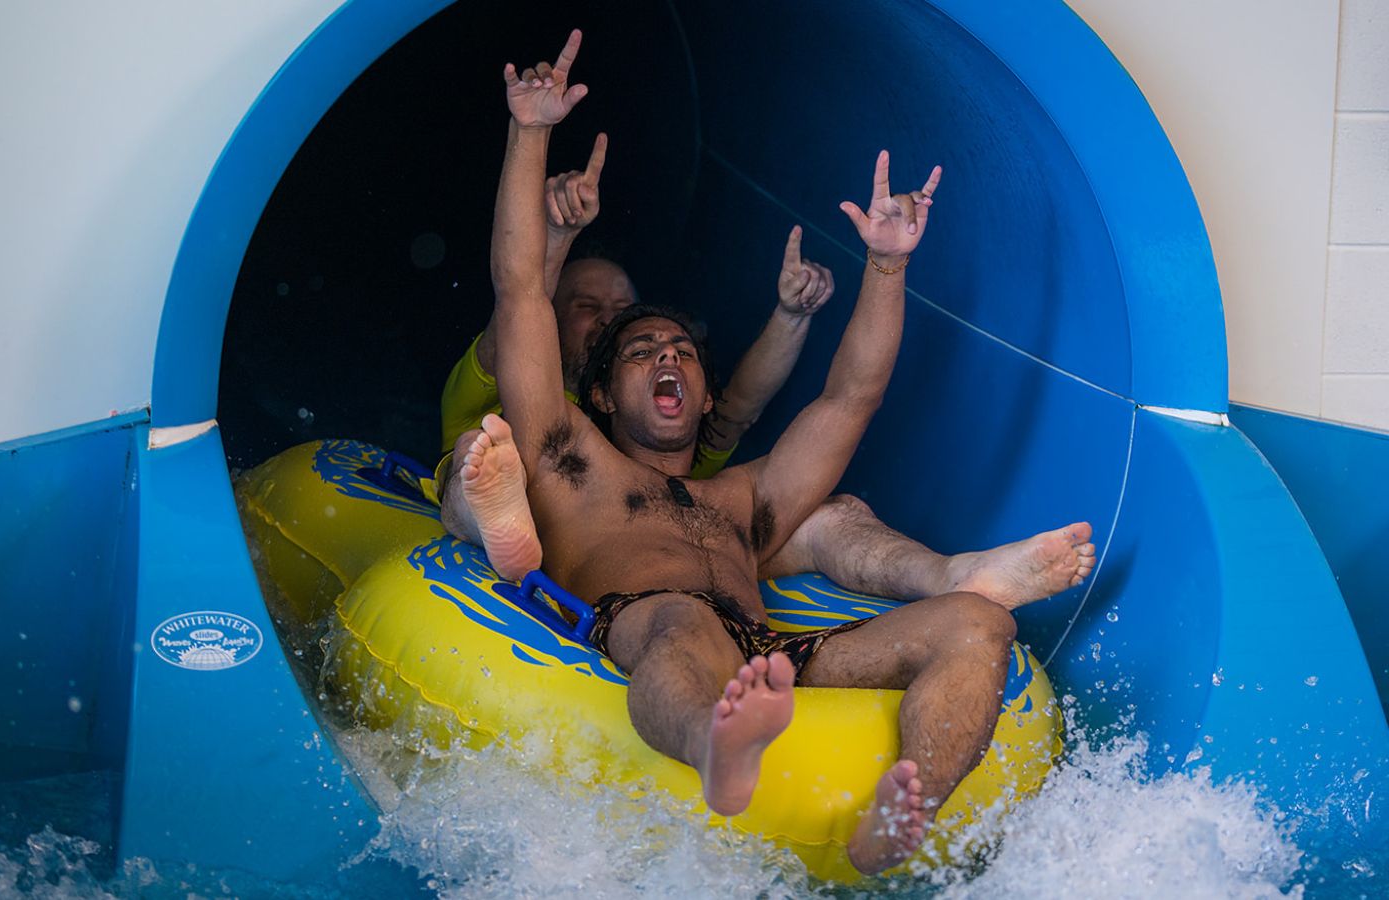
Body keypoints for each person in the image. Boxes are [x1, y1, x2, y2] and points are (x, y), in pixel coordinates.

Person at [465, 30, 1094, 874]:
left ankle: (904, 811)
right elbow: (519, 291)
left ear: (706, 395)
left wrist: (884, 265)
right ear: (603, 393)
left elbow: (850, 398)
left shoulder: (744, 503)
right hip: (653, 623)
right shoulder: (566, 457)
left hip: (772, 652)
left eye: (683, 352)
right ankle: (715, 748)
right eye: (642, 351)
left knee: (981, 621)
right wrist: (529, 132)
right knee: (683, 619)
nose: (667, 358)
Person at [435, 93, 1096, 619]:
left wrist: (795, 312)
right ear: (601, 380)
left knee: (835, 513)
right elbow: (519, 298)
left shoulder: (681, 451)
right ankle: (499, 529)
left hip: (691, 550)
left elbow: (749, 401)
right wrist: (551, 222)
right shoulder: (539, 404)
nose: (618, 322)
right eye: (595, 313)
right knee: (487, 451)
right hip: (550, 517)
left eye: (664, 338)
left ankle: (956, 575)